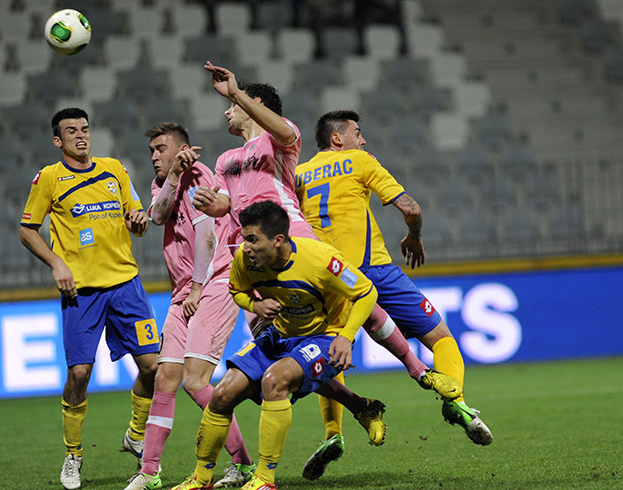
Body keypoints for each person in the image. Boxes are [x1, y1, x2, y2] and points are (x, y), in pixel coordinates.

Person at [189, 62, 459, 480]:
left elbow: (281, 132)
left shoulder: (280, 142)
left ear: (254, 103)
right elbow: (229, 203)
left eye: (234, 105)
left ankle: (419, 371)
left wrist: (235, 92)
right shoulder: (225, 159)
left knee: (355, 300)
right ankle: (359, 407)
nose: (226, 111)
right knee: (288, 347)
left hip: (293, 242)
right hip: (255, 258)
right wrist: (212, 204)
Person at [295, 110, 494, 448]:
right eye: (357, 133)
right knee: (441, 338)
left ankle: (333, 434)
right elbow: (411, 208)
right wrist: (414, 236)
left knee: (330, 355)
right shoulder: (360, 160)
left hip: (328, 277)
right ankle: (456, 402)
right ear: (337, 139)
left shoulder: (298, 175)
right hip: (374, 270)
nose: (363, 140)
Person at [170, 201, 384, 490]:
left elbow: (366, 291)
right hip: (280, 335)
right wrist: (255, 305)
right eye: (244, 238)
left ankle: (264, 479)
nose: (245, 247)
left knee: (275, 381)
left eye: (252, 239)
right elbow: (237, 290)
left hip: (325, 337)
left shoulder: (320, 260)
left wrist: (346, 337)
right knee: (222, 394)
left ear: (278, 240)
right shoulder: (245, 260)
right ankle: (201, 479)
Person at [19, 107, 159, 490]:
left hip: (126, 285)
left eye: (84, 129)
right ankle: (73, 454)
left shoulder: (115, 169)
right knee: (79, 374)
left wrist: (138, 222)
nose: (81, 135)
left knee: (152, 367)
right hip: (80, 291)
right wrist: (57, 263)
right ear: (57, 140)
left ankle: (135, 434)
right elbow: (27, 230)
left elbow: (137, 220)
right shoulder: (49, 178)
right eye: (71, 131)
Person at [124, 123, 254, 490]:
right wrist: (172, 176)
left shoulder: (199, 176)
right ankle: (149, 472)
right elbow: (157, 216)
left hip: (215, 283)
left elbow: (207, 237)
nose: (154, 156)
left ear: (182, 149)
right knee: (165, 377)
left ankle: (242, 464)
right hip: (184, 291)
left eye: (161, 149)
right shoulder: (164, 182)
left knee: (195, 380)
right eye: (151, 150)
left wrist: (197, 289)